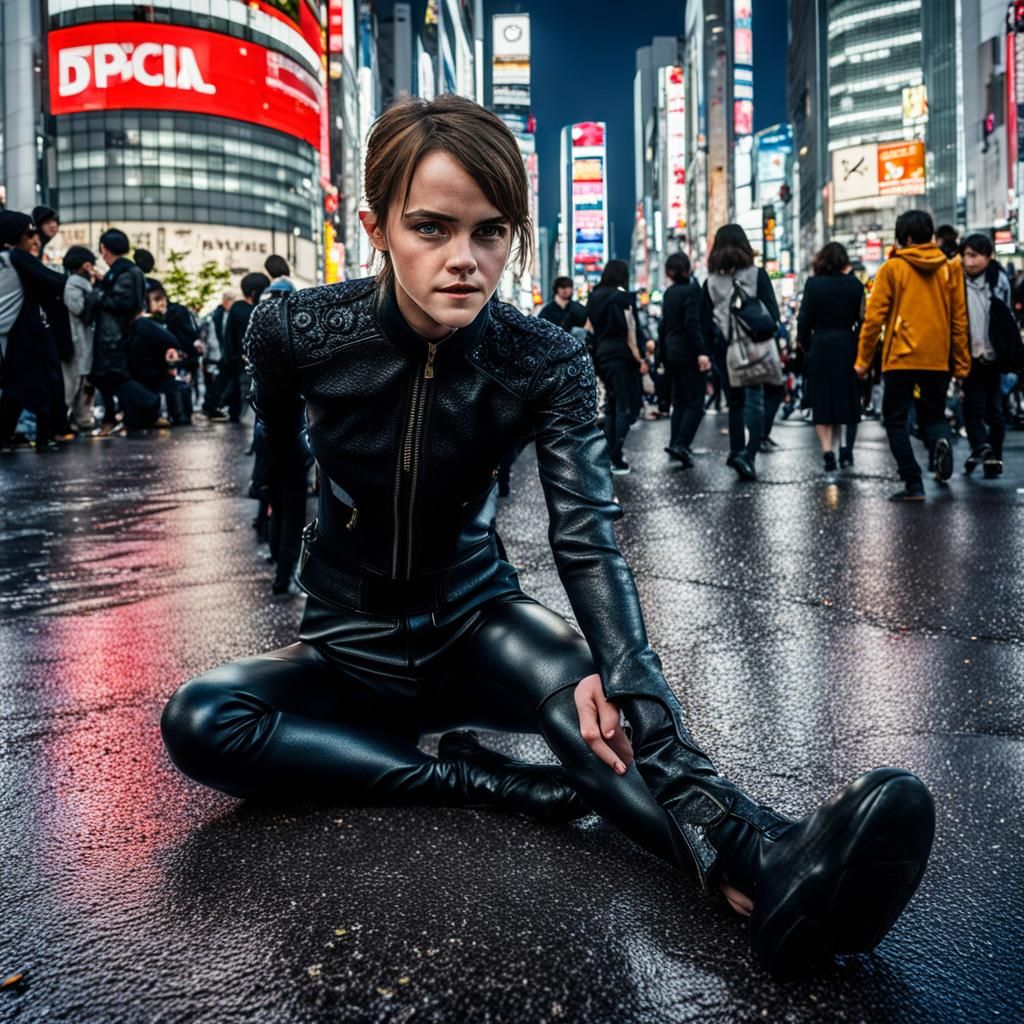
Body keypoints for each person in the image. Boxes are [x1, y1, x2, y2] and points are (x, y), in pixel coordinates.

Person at [160, 95, 935, 979]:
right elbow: (280, 461)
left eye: (491, 232)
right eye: (431, 227)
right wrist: (301, 570)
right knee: (201, 718)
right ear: (375, 225)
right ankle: (471, 779)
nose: (464, 260)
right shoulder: (293, 329)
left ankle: (764, 868)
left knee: (596, 715)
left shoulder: (545, 358)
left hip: (478, 620)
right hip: (345, 640)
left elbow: (587, 534)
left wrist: (634, 685)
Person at [855, 210, 970, 501]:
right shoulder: (949, 268)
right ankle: (940, 442)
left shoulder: (892, 268)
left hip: (901, 358)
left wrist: (862, 361)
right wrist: (961, 364)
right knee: (933, 414)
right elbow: (959, 319)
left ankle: (913, 482)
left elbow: (873, 320)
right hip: (937, 358)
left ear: (905, 237)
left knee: (894, 420)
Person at [701, 224, 781, 482]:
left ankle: (737, 451)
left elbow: (704, 322)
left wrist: (713, 348)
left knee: (734, 403)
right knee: (755, 400)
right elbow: (773, 315)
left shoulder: (711, 282)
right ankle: (749, 454)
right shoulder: (757, 275)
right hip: (757, 346)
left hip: (726, 350)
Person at [0, 211, 68, 453]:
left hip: (10, 333)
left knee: (15, 389)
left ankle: (7, 436)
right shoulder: (16, 256)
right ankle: (44, 437)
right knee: (43, 382)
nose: (34, 239)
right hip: (25, 332)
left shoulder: (4, 258)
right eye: (29, 233)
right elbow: (53, 281)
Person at [797, 242, 865, 472]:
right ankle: (846, 450)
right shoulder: (855, 286)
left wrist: (806, 344)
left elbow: (804, 320)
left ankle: (828, 451)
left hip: (821, 346)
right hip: (847, 344)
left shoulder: (813, 285)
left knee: (822, 400)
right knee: (848, 399)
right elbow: (863, 321)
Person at [959, 233, 1012, 478]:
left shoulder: (999, 280)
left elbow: (1007, 319)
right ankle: (983, 449)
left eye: (975, 255)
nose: (969, 262)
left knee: (995, 411)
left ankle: (993, 456)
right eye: (966, 255)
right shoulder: (957, 281)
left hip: (995, 355)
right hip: (969, 355)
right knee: (973, 409)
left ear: (989, 256)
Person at [586, 260, 646, 474]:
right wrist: (641, 359)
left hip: (601, 355)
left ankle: (610, 453)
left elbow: (589, 329)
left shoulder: (594, 297)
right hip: (622, 355)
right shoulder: (624, 298)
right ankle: (614, 455)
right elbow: (631, 331)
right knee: (626, 407)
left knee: (612, 405)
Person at [92, 228, 147, 437]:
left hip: (114, 337)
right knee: (113, 379)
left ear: (105, 249)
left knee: (114, 378)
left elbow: (122, 301)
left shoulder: (124, 271)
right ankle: (122, 418)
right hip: (119, 335)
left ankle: (120, 418)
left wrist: (98, 294)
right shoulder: (126, 270)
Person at [659, 252, 707, 467]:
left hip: (671, 351)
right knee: (696, 402)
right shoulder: (693, 290)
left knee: (679, 401)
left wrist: (662, 355)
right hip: (688, 351)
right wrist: (702, 351)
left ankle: (675, 441)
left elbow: (663, 326)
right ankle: (682, 444)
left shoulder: (669, 293)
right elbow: (692, 323)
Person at [220, 273, 269, 423]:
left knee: (238, 390)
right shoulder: (256, 310)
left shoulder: (236, 308)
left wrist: (231, 356)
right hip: (248, 360)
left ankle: (234, 414)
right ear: (256, 292)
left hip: (237, 359)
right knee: (247, 391)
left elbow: (228, 335)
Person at [61, 245, 100, 433]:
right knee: (73, 384)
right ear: (84, 265)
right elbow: (80, 310)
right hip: (77, 343)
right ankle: (77, 420)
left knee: (81, 383)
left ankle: (80, 419)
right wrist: (94, 294)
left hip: (82, 343)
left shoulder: (83, 285)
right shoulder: (73, 285)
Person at [200, 289, 237, 420]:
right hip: (217, 357)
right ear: (226, 301)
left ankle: (212, 407)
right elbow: (213, 339)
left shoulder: (218, 314)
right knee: (217, 385)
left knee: (218, 385)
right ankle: (212, 408)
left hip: (219, 357)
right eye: (234, 301)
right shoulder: (217, 316)